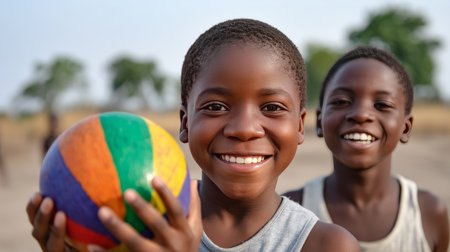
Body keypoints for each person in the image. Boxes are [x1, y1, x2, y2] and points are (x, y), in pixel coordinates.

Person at [26, 18, 360, 251]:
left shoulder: (327, 245)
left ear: (300, 125)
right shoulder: (133, 225)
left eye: (272, 107)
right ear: (185, 123)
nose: (244, 128)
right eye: (215, 106)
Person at [284, 46, 449, 252]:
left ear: (405, 128)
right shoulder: (292, 210)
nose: (361, 114)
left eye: (382, 105)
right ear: (319, 121)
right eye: (342, 101)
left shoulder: (428, 212)